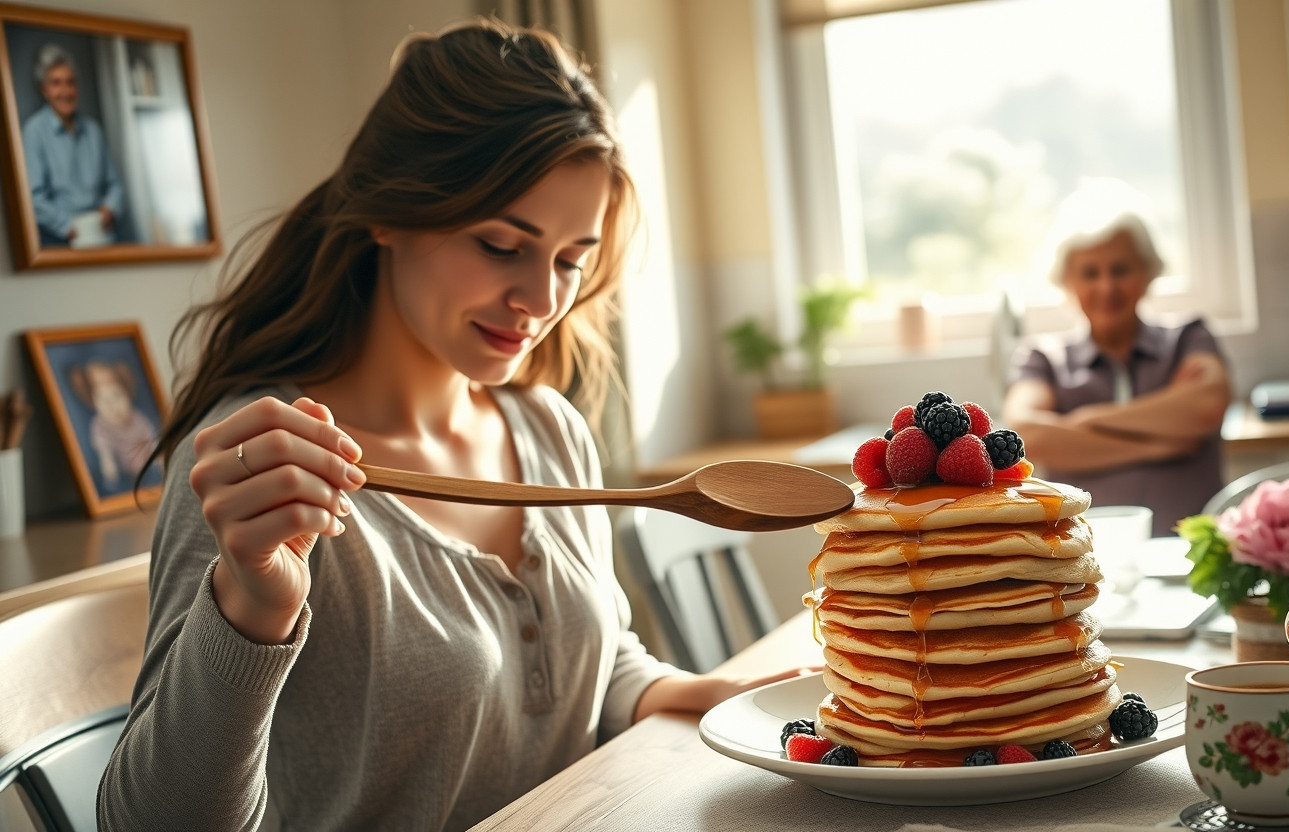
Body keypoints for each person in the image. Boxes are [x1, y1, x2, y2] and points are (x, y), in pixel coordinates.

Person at [98, 19, 799, 831]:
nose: (542, 300)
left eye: (571, 259)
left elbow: (594, 662)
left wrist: (702, 694)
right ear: (389, 213)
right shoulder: (267, 473)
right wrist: (251, 607)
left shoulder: (550, 431)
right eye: (502, 245)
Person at [1002, 179, 1231, 536]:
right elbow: (1027, 435)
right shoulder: (1041, 358)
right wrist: (1160, 445)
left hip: (1189, 555)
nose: (1106, 287)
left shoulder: (1189, 336)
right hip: (1082, 559)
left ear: (1146, 273)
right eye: (1090, 273)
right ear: (1068, 282)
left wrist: (1086, 420)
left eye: (1120, 269)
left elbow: (1206, 406)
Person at [21, 43, 125, 248]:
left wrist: (109, 208)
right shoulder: (34, 131)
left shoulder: (93, 130)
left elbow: (115, 184)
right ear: (45, 90)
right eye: (56, 83)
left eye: (70, 82)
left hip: (102, 237)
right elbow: (33, 199)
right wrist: (70, 226)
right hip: (61, 242)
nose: (65, 91)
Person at [68, 359, 158, 490]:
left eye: (116, 396)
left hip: (148, 466)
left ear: (127, 394)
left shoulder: (136, 418)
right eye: (104, 401)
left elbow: (152, 439)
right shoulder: (99, 426)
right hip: (125, 472)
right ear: (93, 403)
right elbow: (105, 455)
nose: (112, 407)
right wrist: (110, 472)